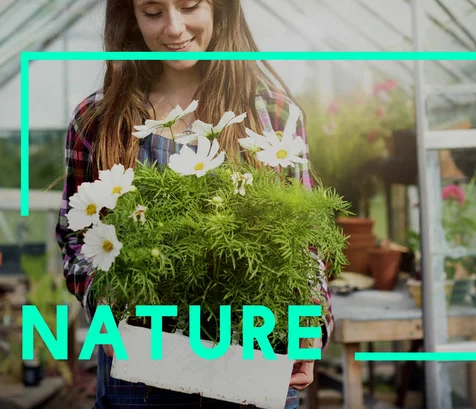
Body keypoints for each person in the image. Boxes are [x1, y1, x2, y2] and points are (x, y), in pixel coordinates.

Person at [55, 0, 333, 408]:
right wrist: (105, 308)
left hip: (249, 363)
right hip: (140, 371)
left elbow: (306, 244)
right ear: (129, 17)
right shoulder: (98, 118)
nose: (174, 27)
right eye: (152, 12)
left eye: (188, 6)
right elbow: (76, 239)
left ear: (220, 8)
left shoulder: (271, 112)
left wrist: (308, 329)